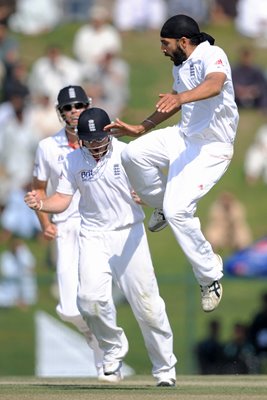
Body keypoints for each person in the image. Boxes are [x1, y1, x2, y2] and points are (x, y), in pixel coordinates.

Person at [24, 107, 177, 387]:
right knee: (89, 301)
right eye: (89, 140)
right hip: (93, 234)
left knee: (148, 306)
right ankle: (113, 350)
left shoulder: (127, 154)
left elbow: (153, 188)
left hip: (129, 233)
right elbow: (62, 199)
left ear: (109, 133)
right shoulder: (72, 160)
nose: (94, 146)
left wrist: (144, 196)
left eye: (99, 139)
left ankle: (165, 368)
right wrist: (42, 204)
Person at [104, 14, 239, 313]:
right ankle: (160, 204)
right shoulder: (180, 65)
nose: (162, 49)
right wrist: (141, 127)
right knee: (131, 154)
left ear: (182, 41)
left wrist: (182, 99)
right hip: (184, 137)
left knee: (180, 211)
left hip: (212, 148)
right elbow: (174, 101)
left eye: (165, 43)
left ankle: (209, 275)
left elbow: (215, 85)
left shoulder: (212, 54)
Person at [30, 85, 115, 382]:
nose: (73, 111)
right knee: (68, 308)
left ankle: (106, 363)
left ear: (88, 105)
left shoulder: (106, 137)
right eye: (67, 107)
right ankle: (98, 339)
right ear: (60, 112)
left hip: (99, 225)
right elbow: (38, 190)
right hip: (66, 226)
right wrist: (45, 223)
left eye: (78, 105)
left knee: (95, 298)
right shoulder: (47, 147)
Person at [231, 46, 267, 111]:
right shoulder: (235, 70)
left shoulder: (257, 70)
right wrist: (240, 90)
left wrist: (253, 90)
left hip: (255, 97)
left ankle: (264, 108)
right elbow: (231, 83)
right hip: (238, 97)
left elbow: (262, 84)